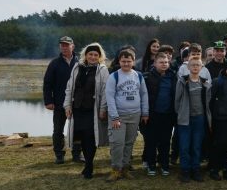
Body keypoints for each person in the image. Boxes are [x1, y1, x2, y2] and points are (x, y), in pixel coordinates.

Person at [63, 42, 109, 179]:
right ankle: (88, 164)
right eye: (90, 54)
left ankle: (89, 166)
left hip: (92, 110)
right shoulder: (77, 67)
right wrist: (67, 106)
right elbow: (69, 88)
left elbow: (106, 91)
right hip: (78, 108)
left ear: (100, 56)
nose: (93, 57)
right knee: (82, 137)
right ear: (86, 55)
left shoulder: (102, 70)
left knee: (90, 137)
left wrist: (103, 109)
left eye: (96, 55)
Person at [104, 49, 149, 182]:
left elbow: (144, 94)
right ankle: (115, 170)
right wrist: (114, 117)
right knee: (117, 143)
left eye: (129, 61)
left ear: (133, 61)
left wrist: (145, 112)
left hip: (134, 115)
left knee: (129, 143)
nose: (126, 64)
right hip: (118, 116)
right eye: (123, 61)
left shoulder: (138, 76)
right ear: (119, 61)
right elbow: (110, 97)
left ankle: (125, 168)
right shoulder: (114, 76)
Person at [43, 36, 80, 164]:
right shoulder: (54, 63)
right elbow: (47, 84)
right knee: (58, 130)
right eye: (62, 45)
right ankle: (59, 155)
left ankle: (77, 154)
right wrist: (48, 101)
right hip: (59, 103)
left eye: (67, 45)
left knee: (77, 129)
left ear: (72, 46)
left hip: (77, 103)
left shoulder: (80, 62)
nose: (64, 47)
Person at [174, 58, 211, 182]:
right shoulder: (182, 81)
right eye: (193, 65)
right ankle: (185, 170)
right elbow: (177, 100)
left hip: (199, 118)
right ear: (188, 67)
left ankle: (195, 169)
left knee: (196, 146)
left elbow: (208, 102)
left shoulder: (205, 83)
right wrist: (181, 113)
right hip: (185, 119)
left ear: (201, 67)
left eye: (198, 65)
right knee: (184, 146)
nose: (195, 67)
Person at [143, 52, 178, 176]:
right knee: (151, 141)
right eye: (161, 62)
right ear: (155, 63)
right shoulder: (147, 77)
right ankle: (151, 165)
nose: (164, 64)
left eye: (166, 62)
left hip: (168, 114)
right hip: (152, 114)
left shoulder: (173, 76)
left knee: (165, 141)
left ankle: (164, 164)